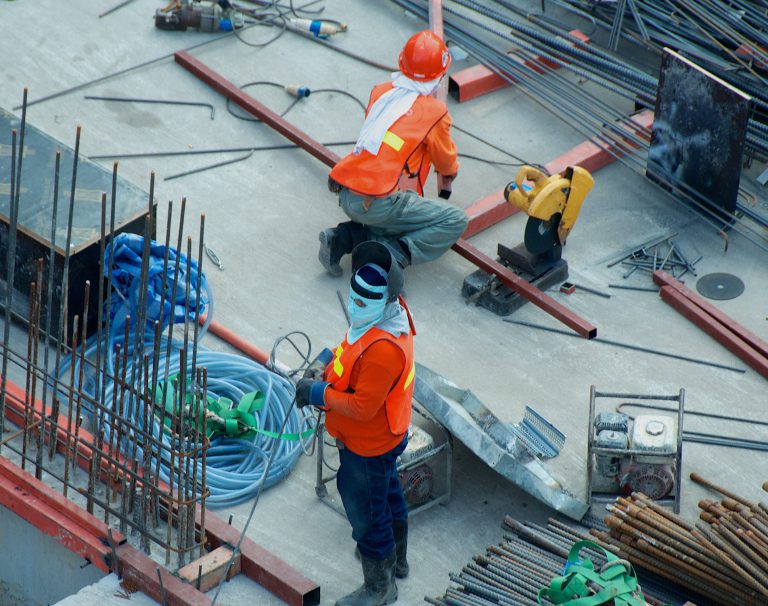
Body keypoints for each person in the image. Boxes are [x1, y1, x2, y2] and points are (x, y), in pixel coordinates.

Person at [296, 240, 416, 606]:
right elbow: (351, 351)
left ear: (386, 300)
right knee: (388, 492)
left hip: (368, 443)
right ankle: (396, 562)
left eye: (364, 302)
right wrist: (326, 363)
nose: (355, 306)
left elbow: (363, 407)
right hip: (386, 436)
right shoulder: (386, 318)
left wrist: (317, 393)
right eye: (354, 297)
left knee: (367, 514)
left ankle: (380, 587)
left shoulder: (384, 349)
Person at [319, 29, 468, 277]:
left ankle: (341, 238)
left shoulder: (382, 91)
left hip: (347, 191)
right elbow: (445, 161)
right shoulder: (435, 112)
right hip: (378, 202)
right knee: (454, 220)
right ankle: (393, 254)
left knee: (392, 215)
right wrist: (450, 172)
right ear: (439, 76)